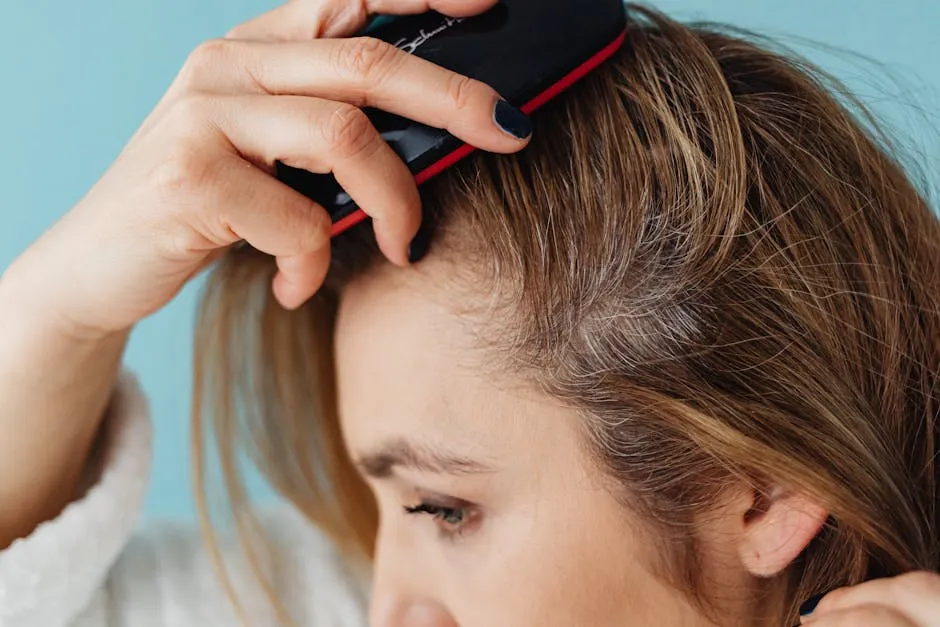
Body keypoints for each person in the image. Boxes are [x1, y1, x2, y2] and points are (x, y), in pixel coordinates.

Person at [1, 0, 938, 625]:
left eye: (443, 509)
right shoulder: (312, 595)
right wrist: (58, 309)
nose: (384, 611)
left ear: (761, 489)